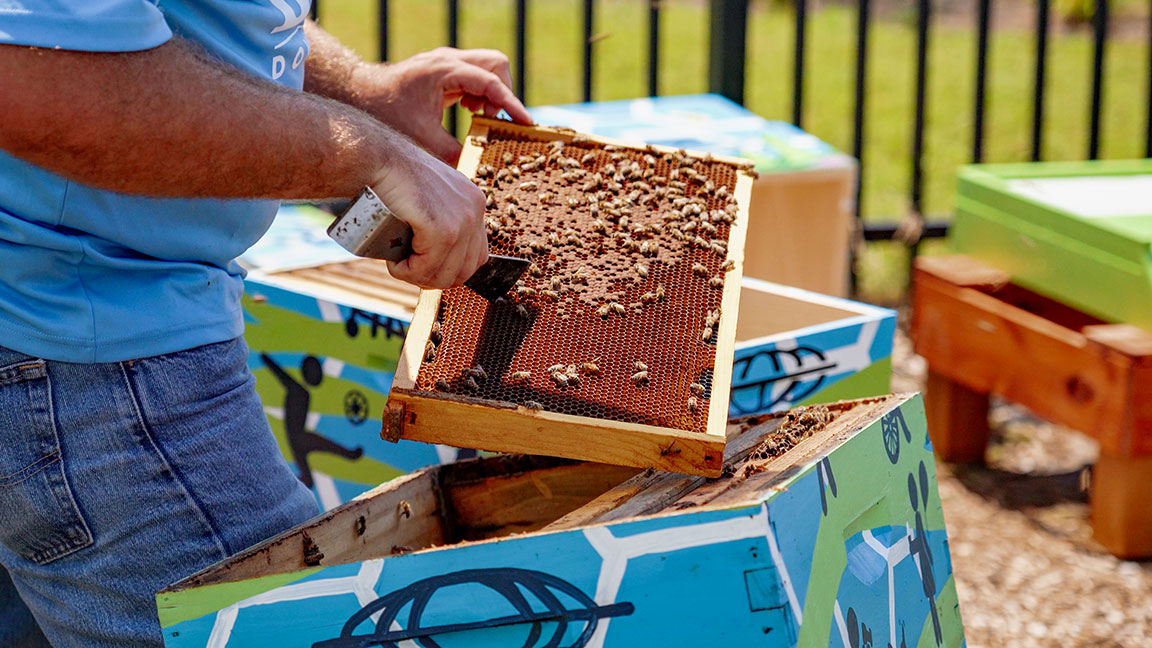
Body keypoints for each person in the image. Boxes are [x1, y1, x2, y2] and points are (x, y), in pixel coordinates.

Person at [0, 2, 533, 646]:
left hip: (71, 340)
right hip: (85, 352)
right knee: (283, 626)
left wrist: (360, 92)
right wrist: (371, 153)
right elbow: (44, 79)